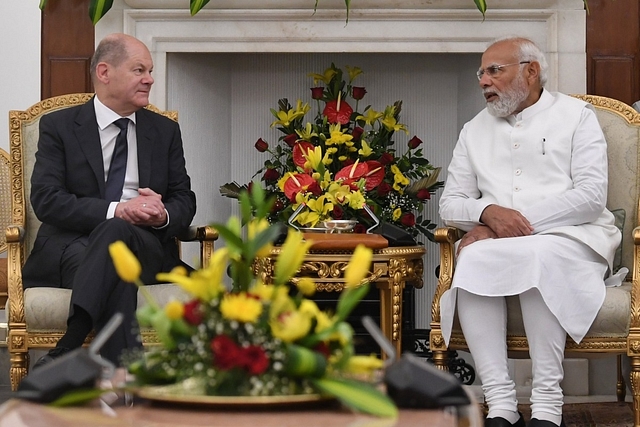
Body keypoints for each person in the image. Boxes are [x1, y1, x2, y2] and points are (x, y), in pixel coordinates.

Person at [438, 36, 621, 427]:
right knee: (471, 259)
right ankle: (501, 404)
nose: (484, 81)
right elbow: (450, 203)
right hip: (502, 243)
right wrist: (487, 212)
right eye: (481, 73)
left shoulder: (577, 115)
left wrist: (513, 225)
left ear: (531, 71)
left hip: (574, 236)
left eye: (494, 71)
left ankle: (547, 406)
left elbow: (590, 196)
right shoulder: (474, 129)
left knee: (538, 254)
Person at [22, 33, 196, 367]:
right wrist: (118, 209)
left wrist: (161, 216)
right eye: (139, 70)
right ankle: (124, 387)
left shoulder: (163, 131)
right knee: (116, 256)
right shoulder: (59, 126)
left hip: (144, 247)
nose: (150, 79)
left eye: (150, 70)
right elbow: (47, 200)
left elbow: (184, 199)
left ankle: (71, 343)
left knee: (116, 235)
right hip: (73, 248)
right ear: (105, 73)